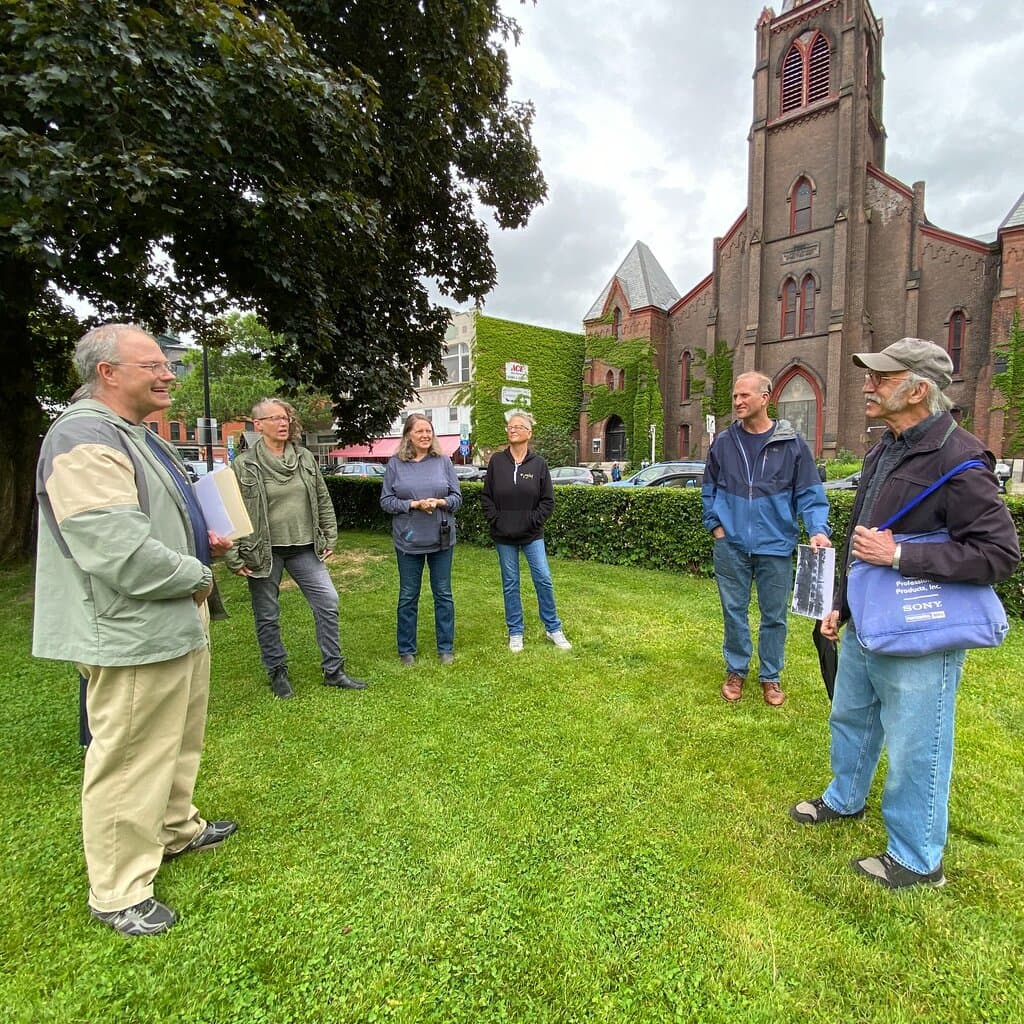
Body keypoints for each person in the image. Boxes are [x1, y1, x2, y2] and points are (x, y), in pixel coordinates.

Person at [789, 338, 1019, 889]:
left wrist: (900, 555)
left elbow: (999, 554)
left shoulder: (962, 458)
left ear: (918, 389)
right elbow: (859, 536)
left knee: (918, 743)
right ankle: (844, 800)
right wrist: (839, 603)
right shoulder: (883, 448)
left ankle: (918, 858)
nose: (868, 386)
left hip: (920, 630)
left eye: (882, 378)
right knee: (851, 716)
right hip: (869, 618)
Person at [34, 323, 237, 936]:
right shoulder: (82, 435)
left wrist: (206, 542)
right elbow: (117, 550)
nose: (168, 373)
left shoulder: (136, 436)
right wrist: (197, 570)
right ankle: (119, 889)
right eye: (153, 364)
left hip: (171, 618)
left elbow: (161, 518)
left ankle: (176, 828)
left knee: (175, 737)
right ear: (108, 373)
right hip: (130, 629)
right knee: (127, 757)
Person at [701, 371, 831, 706]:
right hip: (730, 547)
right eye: (735, 396)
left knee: (774, 616)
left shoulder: (792, 445)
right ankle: (736, 670)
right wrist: (716, 526)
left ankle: (770, 677)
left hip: (776, 547)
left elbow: (810, 495)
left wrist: (818, 529)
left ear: (765, 397)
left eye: (745, 395)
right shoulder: (724, 444)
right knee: (734, 612)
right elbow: (708, 490)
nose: (738, 402)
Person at [225, 398, 366, 698]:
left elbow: (322, 499)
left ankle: (334, 670)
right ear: (258, 424)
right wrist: (232, 554)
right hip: (263, 551)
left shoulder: (304, 458)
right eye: (274, 418)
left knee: (328, 601)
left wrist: (330, 535)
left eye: (286, 416)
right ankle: (277, 672)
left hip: (305, 546)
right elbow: (232, 511)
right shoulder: (244, 465)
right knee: (267, 614)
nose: (283, 422)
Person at [481, 411, 571, 651]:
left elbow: (547, 501)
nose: (512, 429)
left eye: (518, 426)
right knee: (510, 582)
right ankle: (515, 632)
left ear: (529, 433)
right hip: (504, 536)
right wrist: (498, 521)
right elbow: (487, 498)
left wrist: (532, 521)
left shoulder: (538, 464)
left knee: (543, 579)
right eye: (509, 426)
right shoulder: (497, 462)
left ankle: (553, 628)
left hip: (532, 535)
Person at [380, 414, 463, 665]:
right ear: (408, 436)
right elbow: (386, 502)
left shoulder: (443, 462)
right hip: (408, 540)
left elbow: (457, 498)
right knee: (408, 595)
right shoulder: (395, 464)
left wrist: (440, 502)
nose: (425, 435)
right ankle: (407, 649)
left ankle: (445, 647)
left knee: (443, 594)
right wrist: (413, 504)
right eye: (419, 431)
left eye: (429, 430)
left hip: (441, 538)